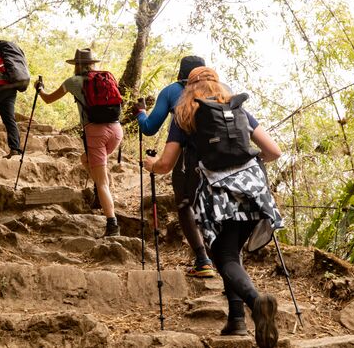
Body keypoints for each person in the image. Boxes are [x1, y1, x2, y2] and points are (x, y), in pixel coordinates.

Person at [143, 66, 283, 348]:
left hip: (217, 196)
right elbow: (273, 152)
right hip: (254, 192)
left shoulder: (185, 114)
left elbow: (167, 163)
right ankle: (236, 320)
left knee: (224, 256)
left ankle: (256, 304)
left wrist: (151, 164)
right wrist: (246, 169)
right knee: (231, 253)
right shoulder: (239, 110)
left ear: (189, 88)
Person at [134, 56, 216, 278]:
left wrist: (141, 113)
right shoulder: (218, 90)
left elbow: (150, 128)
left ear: (182, 74)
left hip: (187, 157)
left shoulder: (172, 91)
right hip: (221, 158)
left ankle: (203, 259)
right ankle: (224, 260)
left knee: (184, 204)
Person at [35, 48, 123, 237]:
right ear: (92, 64)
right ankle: (102, 195)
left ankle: (112, 224)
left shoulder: (73, 82)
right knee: (86, 159)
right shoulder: (106, 78)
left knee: (102, 182)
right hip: (116, 130)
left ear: (77, 65)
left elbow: (48, 99)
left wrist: (40, 89)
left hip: (96, 132)